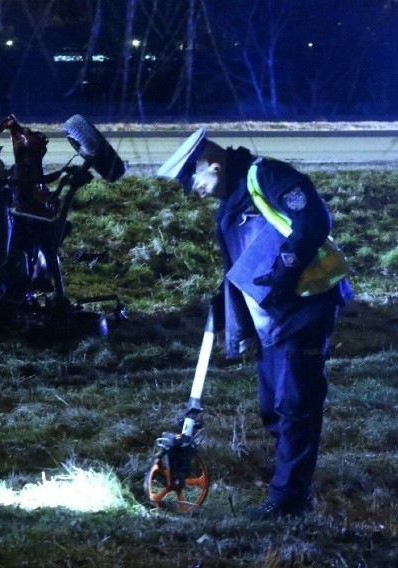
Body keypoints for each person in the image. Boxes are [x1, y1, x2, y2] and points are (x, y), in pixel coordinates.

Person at [157, 128, 353, 520]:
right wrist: (225, 304)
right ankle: (293, 485)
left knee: (295, 404)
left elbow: (314, 219)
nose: (191, 188)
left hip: (306, 306)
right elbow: (243, 262)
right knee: (272, 407)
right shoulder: (231, 201)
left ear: (213, 162)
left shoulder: (265, 176)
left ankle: (288, 500)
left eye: (192, 178)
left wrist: (285, 269)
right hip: (274, 317)